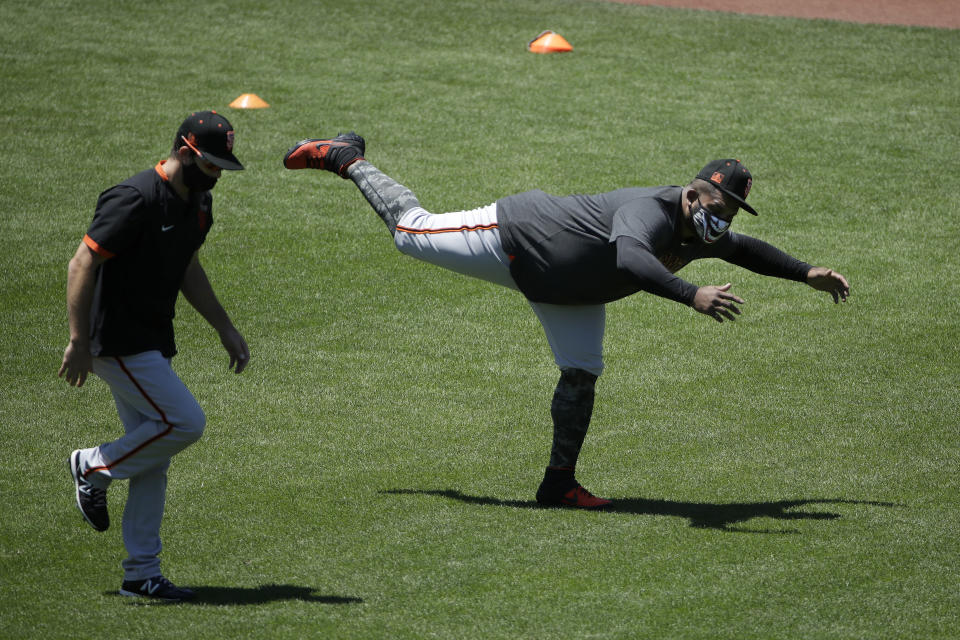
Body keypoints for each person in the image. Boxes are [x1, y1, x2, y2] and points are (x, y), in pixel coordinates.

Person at [282, 133, 849, 509]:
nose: (724, 223)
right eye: (721, 210)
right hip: (517, 240)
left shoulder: (702, 231)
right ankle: (346, 157)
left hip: (570, 290)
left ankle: (558, 484)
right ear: (695, 193)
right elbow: (631, 259)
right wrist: (690, 295)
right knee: (411, 232)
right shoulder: (649, 212)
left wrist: (807, 273)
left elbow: (747, 251)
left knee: (581, 371)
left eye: (731, 215)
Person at [59, 111, 250, 601]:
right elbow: (83, 261)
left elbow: (188, 267)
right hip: (117, 342)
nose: (215, 176)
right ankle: (92, 468)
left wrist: (224, 326)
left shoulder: (198, 205)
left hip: (152, 341)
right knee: (184, 423)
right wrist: (78, 341)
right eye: (210, 165)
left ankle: (140, 574)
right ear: (185, 152)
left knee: (152, 456)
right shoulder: (135, 199)